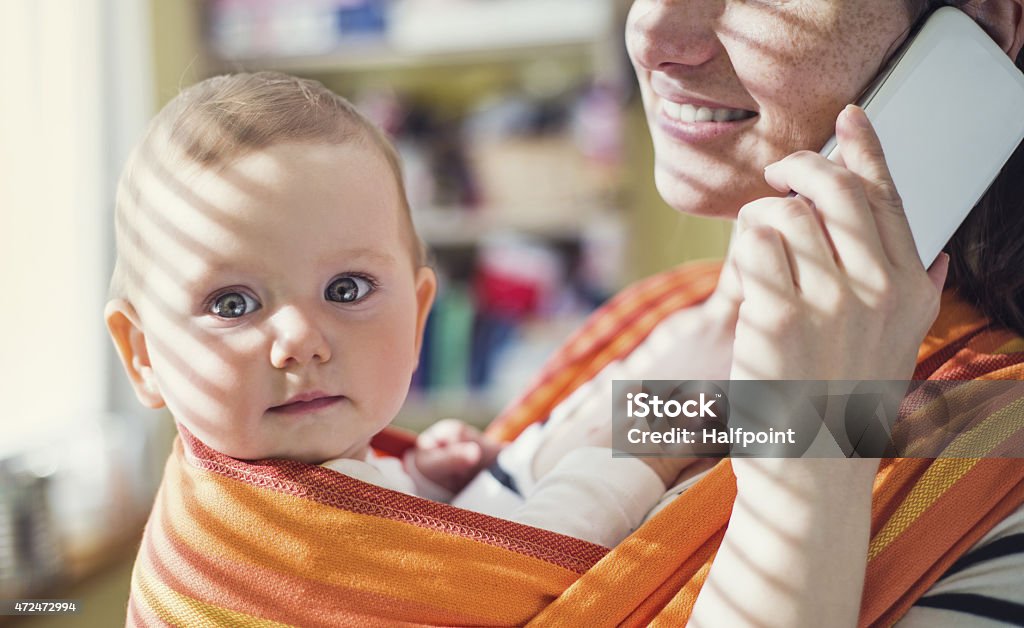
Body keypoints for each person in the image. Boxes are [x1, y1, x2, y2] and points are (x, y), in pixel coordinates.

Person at [414, 0, 1024, 625]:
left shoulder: (995, 463)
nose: (652, 34)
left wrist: (817, 441)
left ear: (981, 28)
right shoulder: (658, 316)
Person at [103, 71, 693, 549]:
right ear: (142, 355)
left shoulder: (339, 476)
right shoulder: (253, 539)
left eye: (347, 289)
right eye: (232, 304)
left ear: (418, 316)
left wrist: (420, 488)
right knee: (703, 396)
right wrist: (647, 450)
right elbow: (514, 582)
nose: (301, 341)